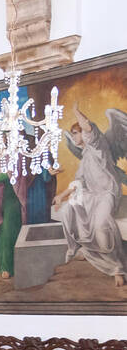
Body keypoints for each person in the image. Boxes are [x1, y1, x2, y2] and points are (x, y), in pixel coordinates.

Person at [54, 104, 127, 286]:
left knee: (101, 225)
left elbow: (88, 127)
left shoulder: (98, 144)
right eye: (73, 133)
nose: (73, 137)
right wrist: (62, 196)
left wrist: (76, 111)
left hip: (106, 194)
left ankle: (117, 268)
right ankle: (81, 248)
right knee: (66, 212)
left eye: (76, 133)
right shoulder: (86, 155)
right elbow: (78, 181)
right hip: (91, 194)